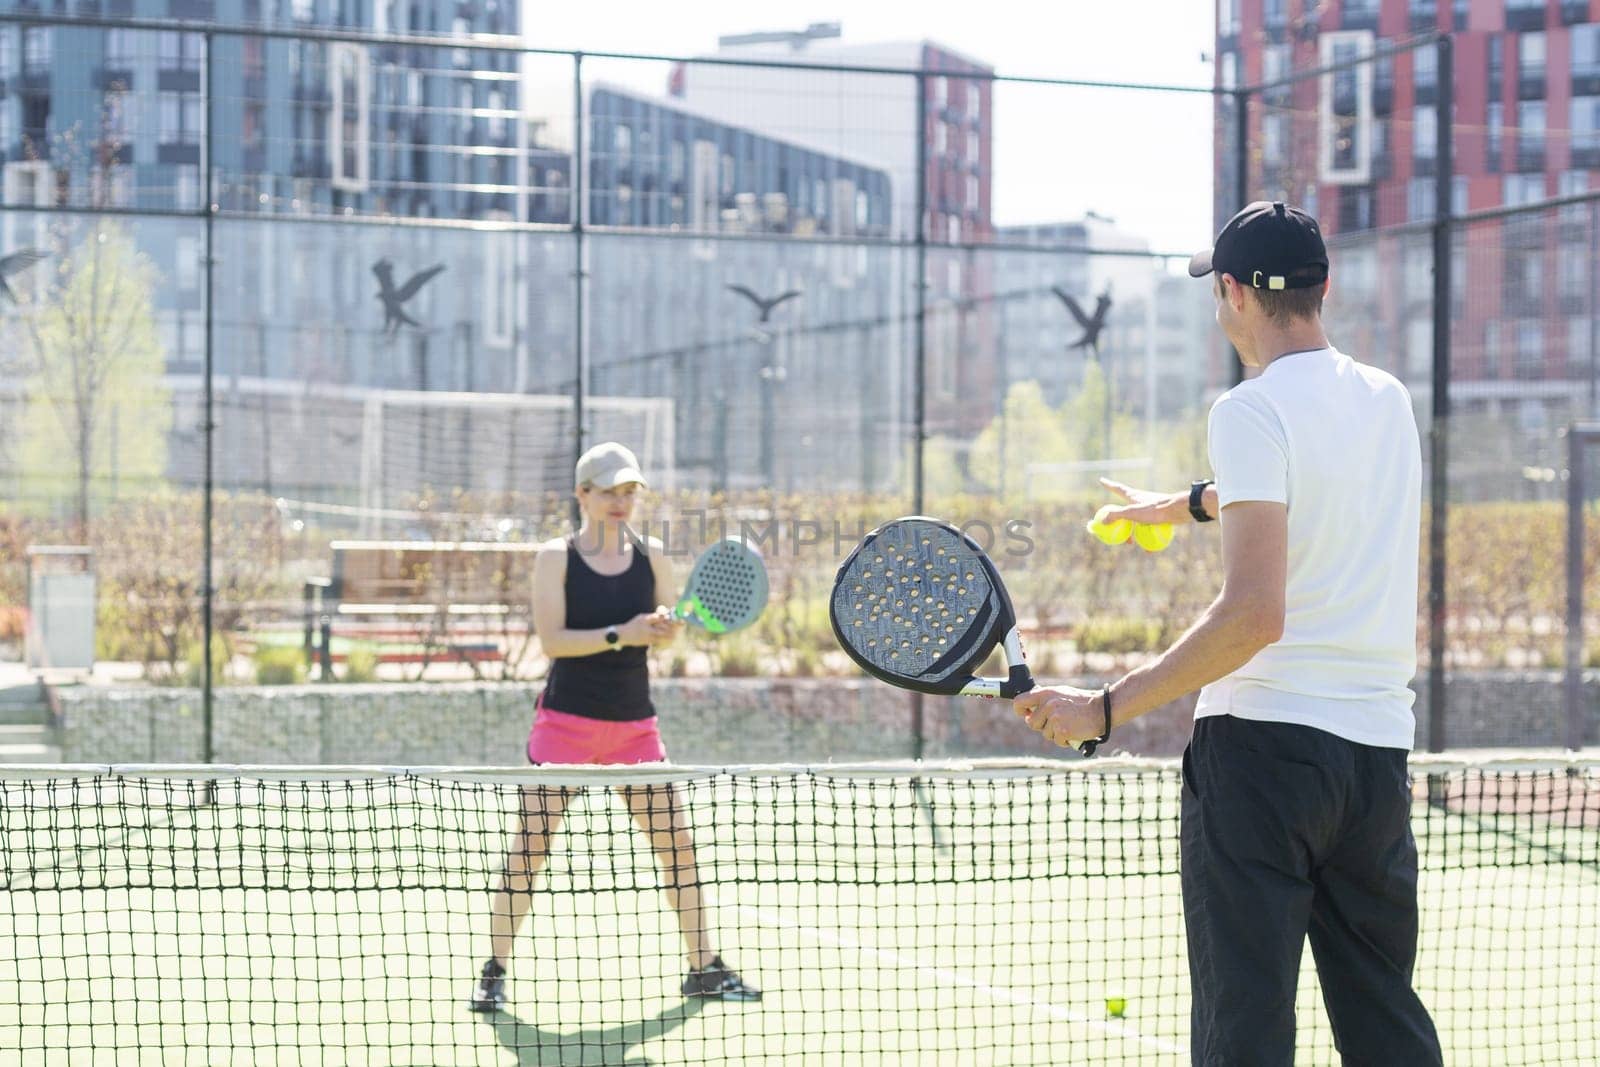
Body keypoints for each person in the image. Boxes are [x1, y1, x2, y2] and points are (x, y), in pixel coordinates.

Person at [1014, 202, 1443, 1066]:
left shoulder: (1246, 409)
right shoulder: (1388, 401)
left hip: (1260, 763)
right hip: (1374, 765)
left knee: (1243, 1031)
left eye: (1219, 294)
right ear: (1324, 288)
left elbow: (1255, 616)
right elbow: (1312, 481)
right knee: (1385, 1023)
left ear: (1236, 294)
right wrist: (1185, 503)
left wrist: (1105, 706)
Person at [470, 441, 761, 1012]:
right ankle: (494, 971)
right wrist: (619, 633)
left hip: (634, 728)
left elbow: (665, 627)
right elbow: (552, 640)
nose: (621, 502)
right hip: (564, 726)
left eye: (629, 491)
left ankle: (703, 968)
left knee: (677, 848)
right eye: (609, 491)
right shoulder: (556, 557)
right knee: (529, 850)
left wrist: (661, 628)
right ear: (583, 494)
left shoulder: (653, 555)